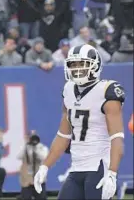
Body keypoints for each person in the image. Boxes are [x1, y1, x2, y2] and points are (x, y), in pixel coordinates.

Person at [34, 44, 125, 199]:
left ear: (95, 66)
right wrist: (45, 166)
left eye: (82, 64)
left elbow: (117, 137)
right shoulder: (68, 89)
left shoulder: (106, 91)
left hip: (99, 167)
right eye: (73, 65)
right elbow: (63, 135)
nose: (77, 69)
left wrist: (112, 173)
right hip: (76, 168)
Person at [18, 132, 49, 200]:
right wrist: (26, 145)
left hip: (39, 178)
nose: (32, 141)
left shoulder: (42, 147)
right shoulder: (25, 147)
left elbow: (44, 157)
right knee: (26, 197)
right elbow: (18, 156)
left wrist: (35, 147)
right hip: (27, 179)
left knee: (41, 197)